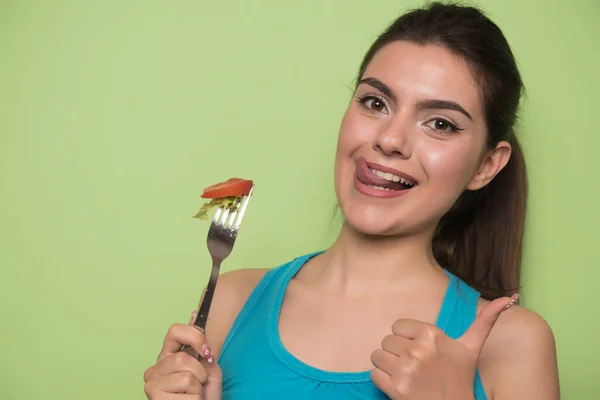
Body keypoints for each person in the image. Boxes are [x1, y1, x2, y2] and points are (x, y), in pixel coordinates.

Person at [143, 2, 560, 399]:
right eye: (375, 102)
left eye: (440, 123)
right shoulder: (230, 300)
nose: (390, 139)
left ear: (487, 165)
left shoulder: (512, 343)